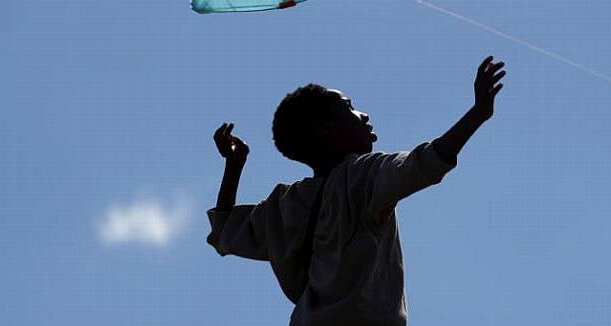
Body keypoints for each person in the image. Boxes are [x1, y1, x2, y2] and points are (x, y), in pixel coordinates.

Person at [206, 55, 506, 325]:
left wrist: (234, 166)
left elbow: (223, 232)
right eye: (347, 107)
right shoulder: (364, 174)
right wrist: (477, 113)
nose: (362, 114)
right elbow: (425, 163)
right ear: (324, 130)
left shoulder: (285, 205)